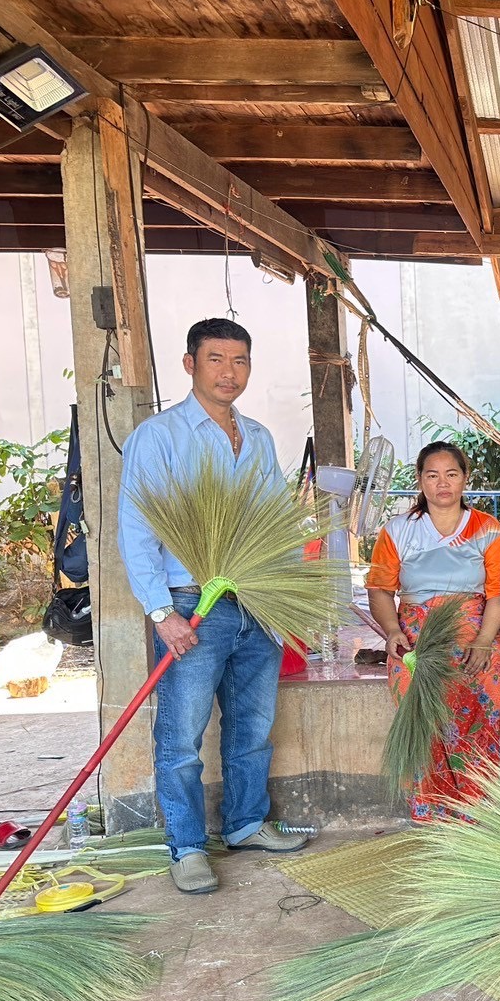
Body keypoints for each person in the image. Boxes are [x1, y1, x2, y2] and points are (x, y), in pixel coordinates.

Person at [118, 318, 309, 895]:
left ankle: (247, 823)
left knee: (252, 726)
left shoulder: (258, 437)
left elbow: (276, 520)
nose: (230, 372)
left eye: (241, 361)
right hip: (190, 600)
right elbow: (136, 529)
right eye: (216, 359)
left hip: (256, 600)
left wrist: (287, 597)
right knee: (181, 736)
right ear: (190, 364)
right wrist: (161, 611)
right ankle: (187, 847)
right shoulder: (160, 436)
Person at [365, 441, 500, 822]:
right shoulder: (399, 530)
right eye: (432, 475)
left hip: (475, 629)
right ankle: (434, 810)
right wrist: (391, 632)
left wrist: (484, 640)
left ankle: (484, 808)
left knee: (493, 692)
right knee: (420, 704)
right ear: (419, 480)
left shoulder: (487, 528)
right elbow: (381, 590)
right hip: (417, 635)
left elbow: (499, 594)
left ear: (465, 479)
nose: (442, 483)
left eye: (451, 474)